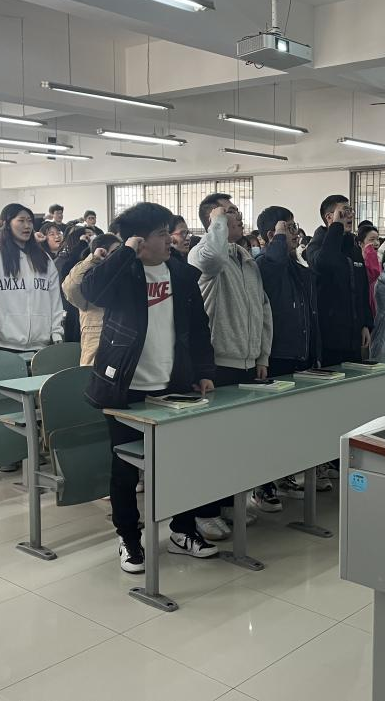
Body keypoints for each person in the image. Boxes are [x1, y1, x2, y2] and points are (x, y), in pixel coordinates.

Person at [80, 202, 218, 568]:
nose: (170, 239)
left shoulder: (181, 273)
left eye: (169, 232)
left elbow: (198, 326)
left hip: (174, 383)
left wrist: (205, 370)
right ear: (140, 240)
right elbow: (91, 291)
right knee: (124, 469)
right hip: (125, 388)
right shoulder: (122, 270)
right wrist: (124, 253)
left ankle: (182, 530)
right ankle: (128, 537)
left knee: (180, 462)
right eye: (161, 233)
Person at [189, 193, 278, 521]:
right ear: (212, 220)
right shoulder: (203, 253)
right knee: (213, 445)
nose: (238, 215)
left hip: (247, 362)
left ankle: (227, 505)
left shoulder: (246, 258)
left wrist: (262, 355)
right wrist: (217, 222)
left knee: (236, 442)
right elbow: (211, 258)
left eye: (237, 210)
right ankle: (205, 513)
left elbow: (263, 309)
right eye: (228, 211)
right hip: (217, 364)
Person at [0, 203, 64, 353]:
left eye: (29, 221)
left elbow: (55, 299)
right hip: (3, 345)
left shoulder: (43, 258)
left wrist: (56, 332)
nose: (27, 226)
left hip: (40, 345)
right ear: (7, 224)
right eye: (21, 220)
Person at [304, 195, 373, 365]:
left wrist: (365, 324)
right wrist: (336, 226)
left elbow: (362, 289)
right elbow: (325, 263)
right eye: (344, 211)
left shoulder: (353, 249)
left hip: (354, 335)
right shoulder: (316, 246)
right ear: (329, 217)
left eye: (351, 210)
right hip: (329, 337)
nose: (350, 215)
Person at [255, 206, 320, 376]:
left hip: (301, 354)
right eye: (289, 228)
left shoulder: (296, 266)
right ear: (272, 235)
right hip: (278, 355)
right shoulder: (263, 263)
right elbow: (275, 262)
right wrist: (279, 237)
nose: (296, 233)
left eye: (295, 227)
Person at [61, 233, 121, 366]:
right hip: (95, 358)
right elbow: (70, 287)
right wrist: (93, 259)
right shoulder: (90, 283)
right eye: (115, 252)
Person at [357, 225, 382, 317]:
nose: (376, 243)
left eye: (377, 239)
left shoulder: (379, 261)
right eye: (372, 240)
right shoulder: (358, 263)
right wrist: (370, 252)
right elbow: (373, 274)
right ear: (361, 243)